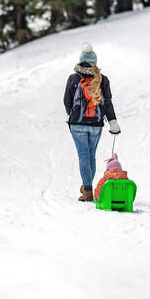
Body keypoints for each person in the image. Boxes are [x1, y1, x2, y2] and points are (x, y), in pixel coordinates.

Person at [63, 43, 120, 202]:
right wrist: (113, 122)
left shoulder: (73, 78)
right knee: (91, 156)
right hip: (95, 125)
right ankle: (88, 188)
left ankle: (87, 190)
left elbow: (67, 101)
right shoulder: (103, 79)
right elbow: (107, 103)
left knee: (83, 156)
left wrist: (73, 114)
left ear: (81, 61)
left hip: (77, 124)